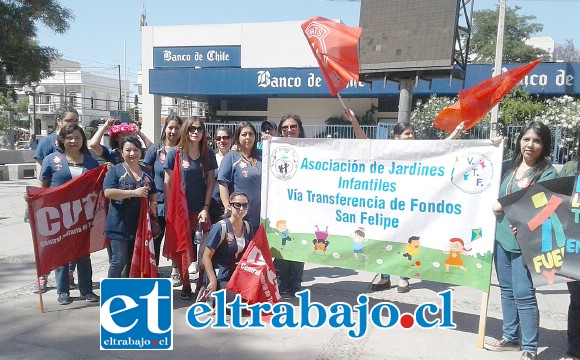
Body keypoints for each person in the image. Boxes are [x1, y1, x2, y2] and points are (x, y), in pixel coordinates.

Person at [345, 109, 464, 292]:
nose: (411, 137)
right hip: (386, 205)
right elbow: (364, 142)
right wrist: (353, 119)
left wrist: (456, 132)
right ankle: (385, 278)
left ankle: (404, 277)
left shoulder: (418, 151)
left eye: (412, 134)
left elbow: (441, 148)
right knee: (383, 240)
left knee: (405, 241)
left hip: (407, 206)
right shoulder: (386, 150)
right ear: (396, 137)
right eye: (407, 134)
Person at [485, 121, 559, 360]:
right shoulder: (508, 167)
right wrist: (491, 147)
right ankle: (510, 336)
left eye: (536, 141)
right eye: (526, 139)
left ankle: (529, 347)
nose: (530, 145)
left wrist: (509, 209)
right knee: (506, 290)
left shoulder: (547, 172)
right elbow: (484, 167)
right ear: (519, 141)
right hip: (502, 238)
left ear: (543, 145)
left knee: (524, 294)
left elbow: (545, 204)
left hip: (526, 242)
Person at [38, 123, 100, 304]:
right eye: (69, 137)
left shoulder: (90, 161)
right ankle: (62, 291)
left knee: (83, 254)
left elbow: (96, 186)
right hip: (59, 215)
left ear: (83, 140)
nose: (73, 141)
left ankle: (87, 290)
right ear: (62, 140)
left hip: (83, 214)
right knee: (61, 253)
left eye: (78, 138)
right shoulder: (51, 159)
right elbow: (43, 188)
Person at [164, 117, 217, 300]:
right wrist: (172, 211)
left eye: (199, 129)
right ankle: (186, 284)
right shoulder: (175, 154)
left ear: (204, 132)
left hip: (200, 209)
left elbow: (211, 182)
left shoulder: (208, 154)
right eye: (192, 128)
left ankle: (201, 284)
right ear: (186, 131)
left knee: (204, 249)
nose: (196, 132)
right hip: (180, 211)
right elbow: (167, 183)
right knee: (182, 248)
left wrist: (205, 207)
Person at [32, 105, 79, 294]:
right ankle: (42, 275)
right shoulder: (46, 142)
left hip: (74, 202)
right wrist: (37, 199)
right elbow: (39, 172)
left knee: (73, 239)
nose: (73, 124)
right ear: (59, 121)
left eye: (76, 120)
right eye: (69, 120)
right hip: (51, 201)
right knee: (48, 240)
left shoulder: (78, 140)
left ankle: (69, 272)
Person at [104, 135, 157, 278]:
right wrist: (133, 193)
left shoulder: (146, 171)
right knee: (118, 260)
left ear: (141, 152)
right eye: (128, 150)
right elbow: (108, 192)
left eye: (135, 150)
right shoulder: (115, 170)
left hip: (139, 225)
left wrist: (153, 203)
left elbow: (153, 191)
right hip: (118, 225)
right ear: (122, 152)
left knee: (133, 260)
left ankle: (129, 292)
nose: (132, 153)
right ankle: (111, 292)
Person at [143, 114, 183, 286]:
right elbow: (146, 175)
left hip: (179, 203)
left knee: (175, 238)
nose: (173, 131)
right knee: (156, 237)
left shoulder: (185, 150)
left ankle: (176, 270)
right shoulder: (155, 149)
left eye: (176, 128)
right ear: (165, 129)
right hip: (157, 202)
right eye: (170, 127)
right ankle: (154, 269)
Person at [273, 114, 306, 298]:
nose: (289, 130)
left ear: (299, 129)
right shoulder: (274, 149)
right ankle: (282, 283)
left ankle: (296, 284)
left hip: (301, 207)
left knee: (299, 246)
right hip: (280, 206)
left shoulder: (310, 149)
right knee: (281, 244)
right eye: (285, 127)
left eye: (293, 126)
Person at [202, 192, 253, 303]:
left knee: (253, 300)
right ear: (230, 206)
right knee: (236, 304)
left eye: (245, 205)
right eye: (237, 205)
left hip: (237, 275)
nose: (241, 208)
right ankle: (210, 292)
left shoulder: (247, 227)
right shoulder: (220, 227)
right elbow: (206, 257)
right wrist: (212, 281)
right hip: (220, 275)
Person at [218, 121, 262, 233]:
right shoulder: (231, 157)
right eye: (244, 134)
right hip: (239, 215)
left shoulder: (263, 157)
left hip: (260, 216)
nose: (248, 137)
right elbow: (223, 183)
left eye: (251, 134)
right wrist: (228, 207)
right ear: (238, 137)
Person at [558, 154, 579, 360]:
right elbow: (549, 201)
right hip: (575, 250)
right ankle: (574, 352)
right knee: (577, 302)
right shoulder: (571, 169)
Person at [209, 126, 233, 224]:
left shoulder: (236, 158)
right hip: (213, 206)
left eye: (225, 137)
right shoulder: (210, 158)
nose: (222, 141)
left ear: (231, 139)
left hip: (231, 207)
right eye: (218, 138)